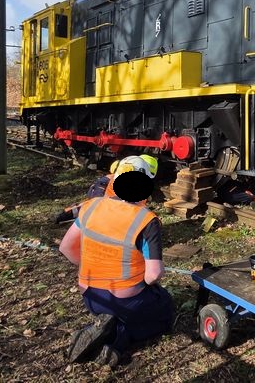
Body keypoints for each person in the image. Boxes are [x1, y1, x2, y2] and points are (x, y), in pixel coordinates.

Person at [59, 155, 174, 366]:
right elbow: (153, 275)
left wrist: (93, 266)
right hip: (125, 300)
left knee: (128, 310)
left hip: (91, 297)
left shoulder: (91, 205)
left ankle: (104, 326)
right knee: (165, 310)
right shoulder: (146, 220)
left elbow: (65, 247)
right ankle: (117, 338)